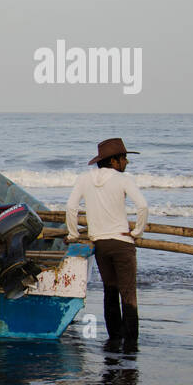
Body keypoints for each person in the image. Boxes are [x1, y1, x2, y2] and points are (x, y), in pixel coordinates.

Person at [66, 138, 149, 352]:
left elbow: (71, 208)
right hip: (122, 243)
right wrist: (137, 232)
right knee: (128, 294)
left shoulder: (84, 179)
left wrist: (74, 234)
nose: (127, 163)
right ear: (114, 161)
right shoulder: (124, 180)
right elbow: (142, 206)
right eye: (124, 159)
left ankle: (114, 341)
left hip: (100, 244)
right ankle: (131, 347)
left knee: (110, 291)